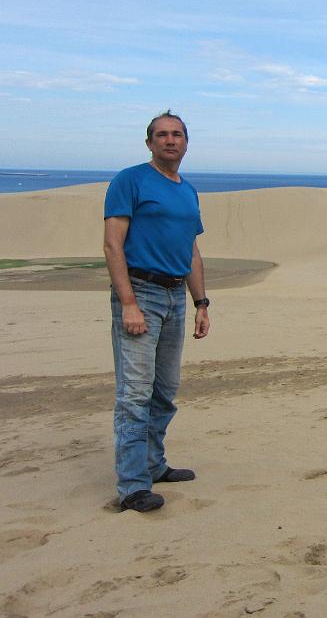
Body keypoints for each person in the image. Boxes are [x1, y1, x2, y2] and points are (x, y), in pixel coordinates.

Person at [103, 110, 210, 513]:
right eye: (162, 135)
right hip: (141, 292)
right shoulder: (129, 180)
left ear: (186, 142)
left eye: (177, 134)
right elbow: (113, 245)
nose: (170, 140)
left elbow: (191, 250)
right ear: (149, 143)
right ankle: (132, 485)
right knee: (135, 393)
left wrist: (201, 302)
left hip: (174, 298)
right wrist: (128, 302)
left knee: (164, 391)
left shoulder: (188, 190)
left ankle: (154, 464)